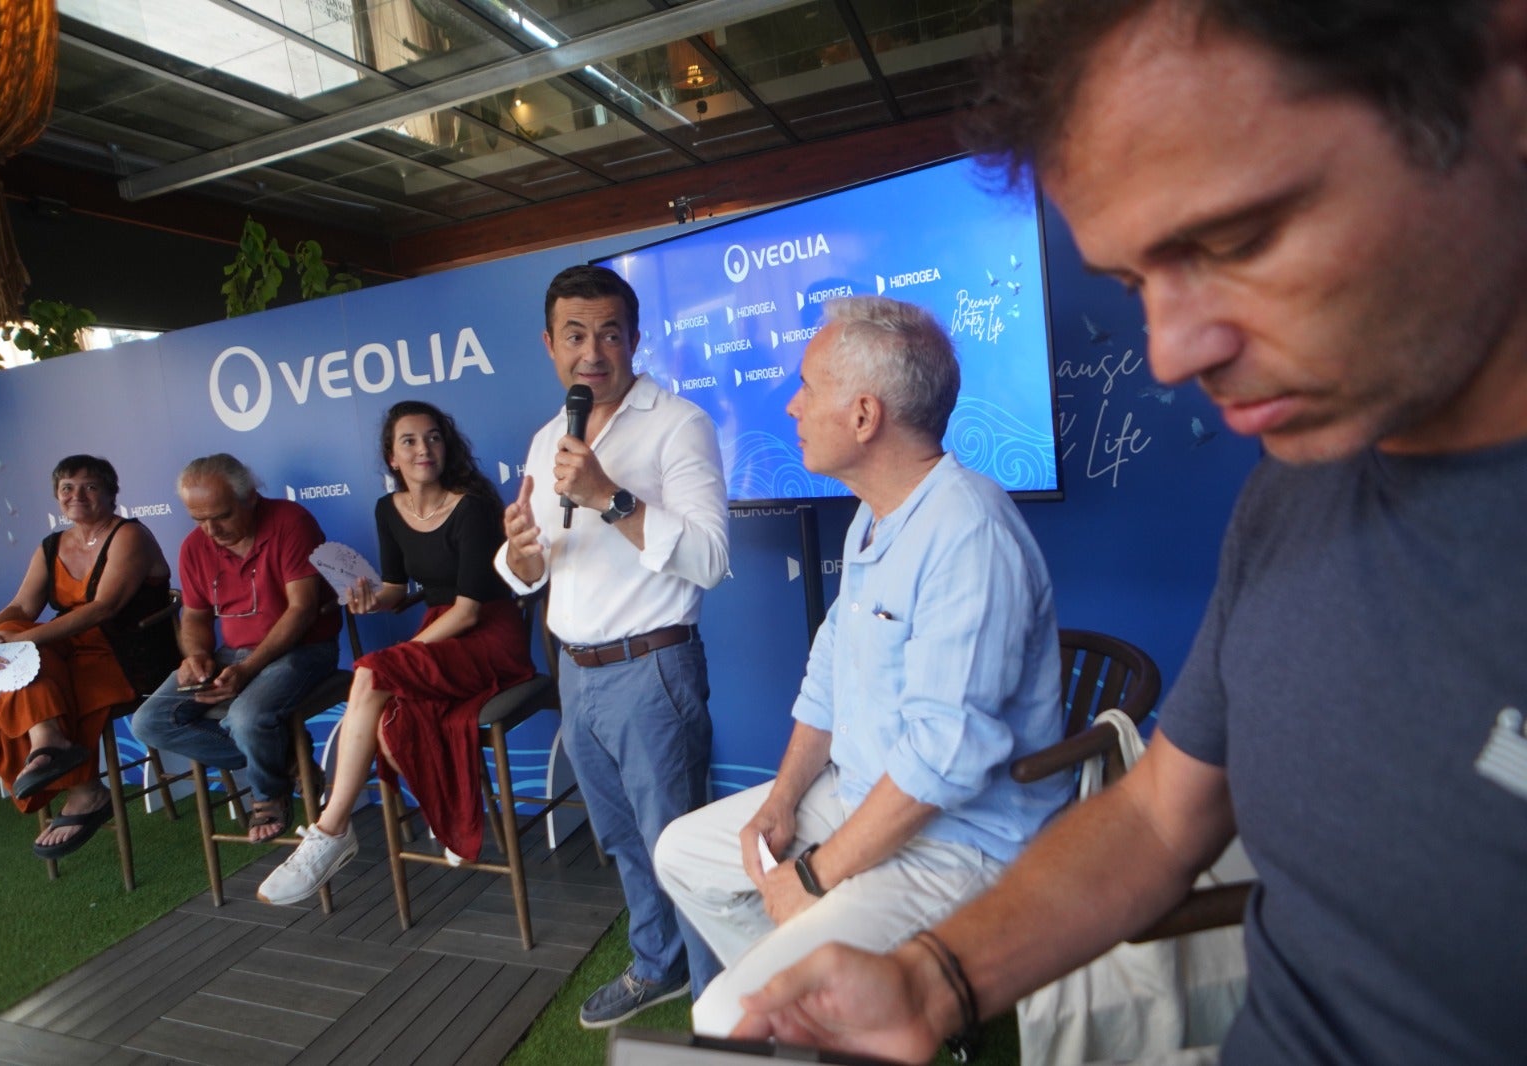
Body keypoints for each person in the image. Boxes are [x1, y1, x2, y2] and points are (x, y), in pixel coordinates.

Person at [731, 2, 1527, 1063]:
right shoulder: (1289, 500)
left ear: (1504, 87)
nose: (1168, 352)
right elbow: (1158, 814)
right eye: (1133, 283)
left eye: (1237, 238)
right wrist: (933, 981)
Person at [653, 296, 1068, 1036]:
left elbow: (944, 763)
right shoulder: (873, 511)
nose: (791, 405)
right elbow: (828, 680)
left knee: (727, 1017)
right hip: (859, 796)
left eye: (809, 386)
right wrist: (779, 805)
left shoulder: (968, 532)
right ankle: (837, 1014)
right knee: (682, 851)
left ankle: (812, 1008)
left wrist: (813, 875)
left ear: (865, 416)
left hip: (958, 844)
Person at [496, 264, 730, 1028]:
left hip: (651, 669)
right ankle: (658, 965)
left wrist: (611, 497)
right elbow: (537, 563)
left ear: (633, 338)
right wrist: (523, 557)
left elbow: (710, 560)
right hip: (576, 671)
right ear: (549, 344)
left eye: (608, 332)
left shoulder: (678, 424)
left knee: (679, 848)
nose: (591, 351)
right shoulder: (544, 438)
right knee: (627, 844)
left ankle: (714, 1002)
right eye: (574, 334)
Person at [256, 401, 535, 905]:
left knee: (373, 673)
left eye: (433, 437)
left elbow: (470, 611)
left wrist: (402, 653)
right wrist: (369, 599)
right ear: (392, 456)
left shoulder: (472, 507)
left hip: (490, 635)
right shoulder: (389, 509)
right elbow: (394, 586)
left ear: (446, 447)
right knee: (390, 715)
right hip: (437, 633)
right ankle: (413, 815)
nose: (423, 448)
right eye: (409, 440)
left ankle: (331, 830)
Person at [0, 455, 179, 859]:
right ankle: (50, 744)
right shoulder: (52, 545)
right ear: (57, 497)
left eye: (89, 486)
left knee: (29, 660)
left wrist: (27, 641)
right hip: (70, 650)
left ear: (110, 493)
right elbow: (21, 607)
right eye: (67, 487)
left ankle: (79, 784)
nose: (77, 495)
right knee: (16, 647)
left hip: (128, 654)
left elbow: (103, 607)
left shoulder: (129, 536)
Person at [131, 454, 341, 843]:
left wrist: (247, 671)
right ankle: (286, 759)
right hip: (233, 655)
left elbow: (302, 610)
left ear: (250, 497)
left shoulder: (291, 522)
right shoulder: (195, 547)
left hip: (303, 649)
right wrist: (195, 656)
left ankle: (268, 792)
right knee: (149, 722)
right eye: (199, 519)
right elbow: (194, 618)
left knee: (245, 719)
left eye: (221, 516)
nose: (211, 530)